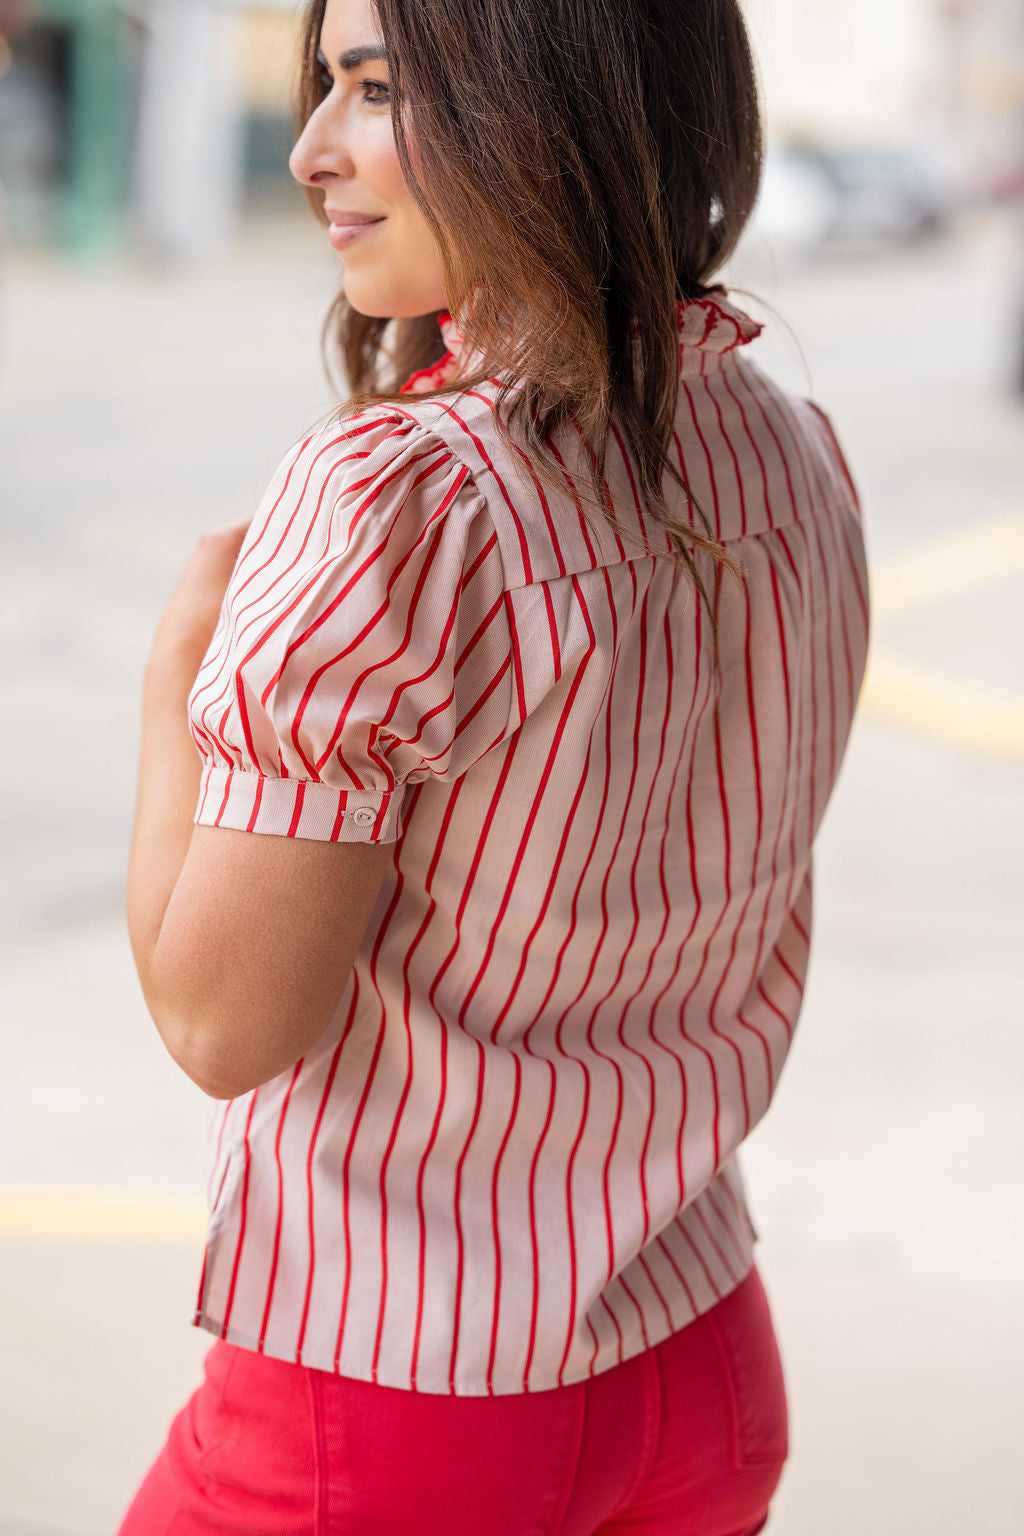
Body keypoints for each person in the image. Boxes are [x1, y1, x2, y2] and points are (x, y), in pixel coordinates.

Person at [117, 0, 870, 1530]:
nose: (310, 151)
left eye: (376, 90)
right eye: (322, 87)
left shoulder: (401, 501)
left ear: (551, 104)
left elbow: (218, 1020)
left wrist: (175, 679)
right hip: (700, 1351)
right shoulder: (789, 447)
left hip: (401, 1402)